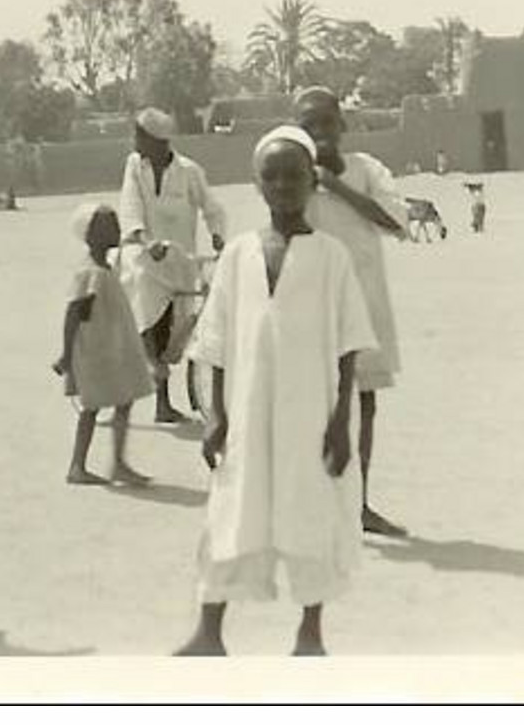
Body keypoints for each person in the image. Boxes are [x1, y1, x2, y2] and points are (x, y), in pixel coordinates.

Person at [176, 126, 373, 657]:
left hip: (311, 413)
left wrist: (340, 423)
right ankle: (208, 632)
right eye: (272, 176)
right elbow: (213, 341)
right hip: (246, 413)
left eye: (294, 175)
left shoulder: (332, 257)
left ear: (313, 181)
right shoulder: (238, 254)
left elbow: (349, 345)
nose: (283, 185)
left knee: (311, 510)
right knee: (232, 509)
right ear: (256, 184)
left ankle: (310, 634)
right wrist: (215, 415)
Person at [294, 88, 410, 538]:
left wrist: (337, 185)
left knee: (365, 403)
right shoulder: (292, 175)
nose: (320, 132)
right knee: (313, 408)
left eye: (327, 122)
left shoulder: (367, 169)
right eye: (309, 125)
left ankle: (358, 505)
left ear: (342, 125)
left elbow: (396, 221)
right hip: (311, 311)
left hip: (364, 307)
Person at [117, 107, 227, 424]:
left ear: (157, 140)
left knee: (176, 330)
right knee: (150, 318)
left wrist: (218, 235)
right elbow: (130, 206)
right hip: (144, 258)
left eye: (139, 135)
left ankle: (160, 380)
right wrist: (144, 239)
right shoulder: (135, 166)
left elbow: (212, 207)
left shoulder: (189, 171)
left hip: (179, 260)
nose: (134, 141)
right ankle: (161, 401)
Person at [52, 203, 154, 486]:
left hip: (112, 347)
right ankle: (77, 466)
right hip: (95, 350)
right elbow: (74, 314)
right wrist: (67, 354)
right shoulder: (89, 273)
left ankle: (117, 463)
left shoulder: (106, 268)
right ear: (90, 234)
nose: (116, 228)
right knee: (92, 406)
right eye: (108, 224)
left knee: (124, 399)